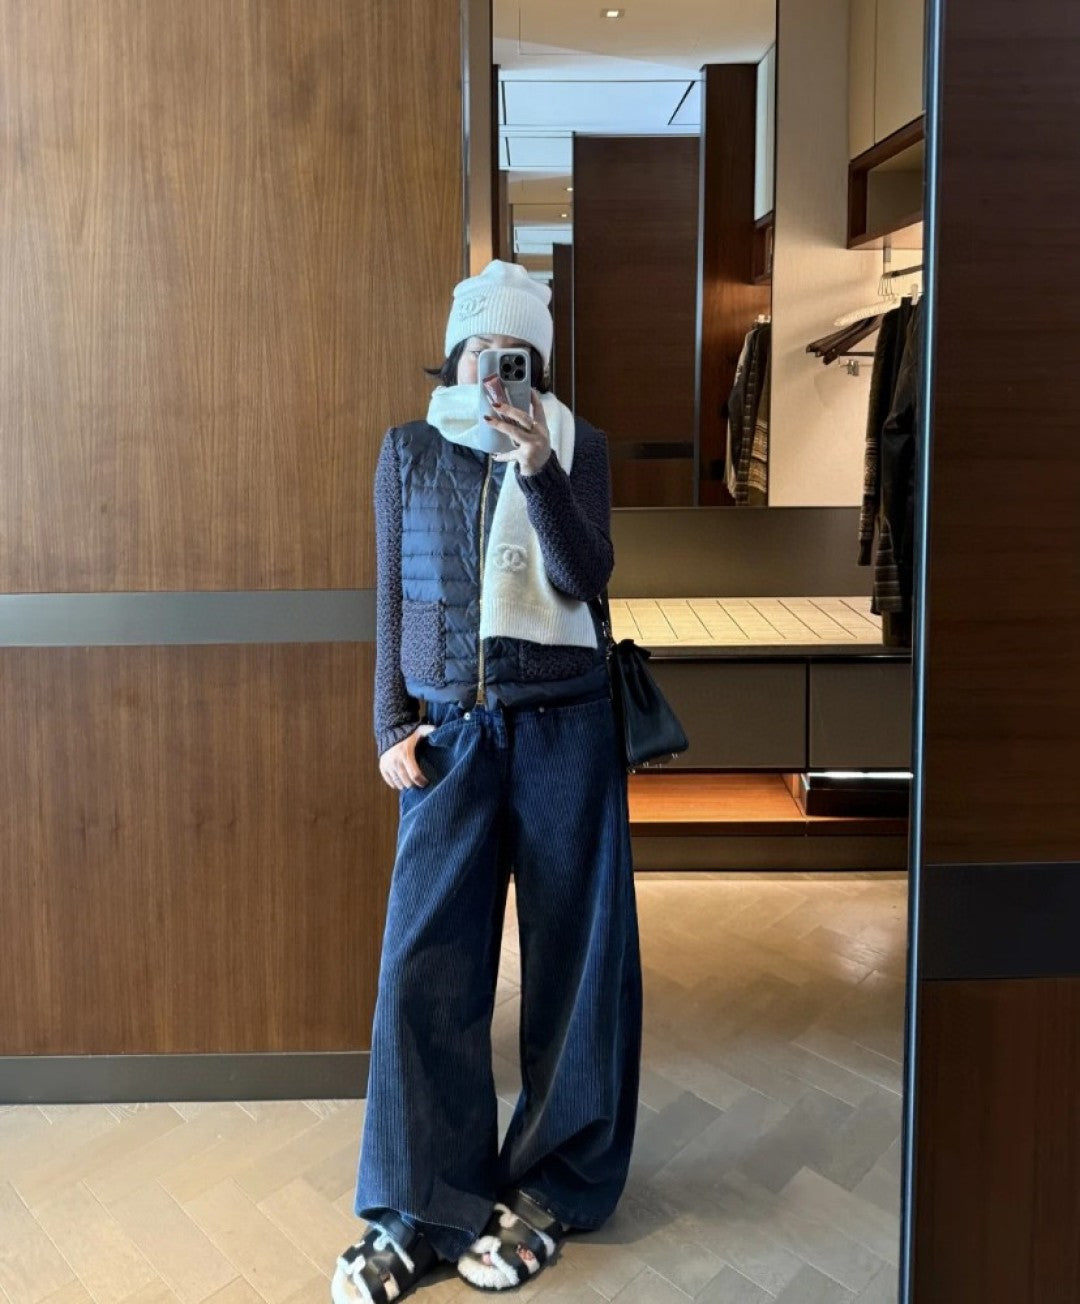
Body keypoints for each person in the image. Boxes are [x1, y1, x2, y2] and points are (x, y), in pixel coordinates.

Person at [331, 260, 643, 1303]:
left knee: (575, 966)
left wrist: (540, 466)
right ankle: (417, 1204)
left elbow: (587, 575)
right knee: (424, 966)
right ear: (455, 354)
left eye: (514, 358)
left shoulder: (576, 444)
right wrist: (390, 720)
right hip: (449, 741)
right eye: (478, 352)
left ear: (534, 365)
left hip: (566, 731)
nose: (492, 372)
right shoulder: (409, 450)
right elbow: (390, 594)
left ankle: (554, 1185)